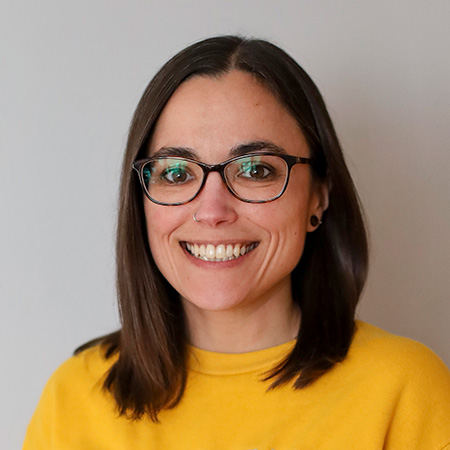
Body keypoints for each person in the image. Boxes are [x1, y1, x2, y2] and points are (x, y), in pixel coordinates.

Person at [23, 35, 450, 449]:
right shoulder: (73, 397)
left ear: (318, 197)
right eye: (177, 172)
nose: (212, 211)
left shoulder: (405, 391)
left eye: (255, 170)